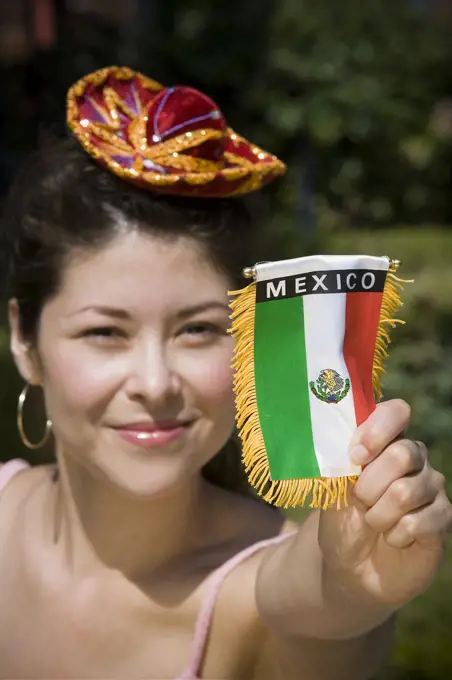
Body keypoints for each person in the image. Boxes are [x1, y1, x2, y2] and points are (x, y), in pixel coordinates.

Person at [0, 66, 450, 680]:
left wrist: (355, 587)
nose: (155, 383)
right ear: (25, 341)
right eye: (105, 333)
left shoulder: (254, 587)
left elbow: (314, 600)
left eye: (199, 330)